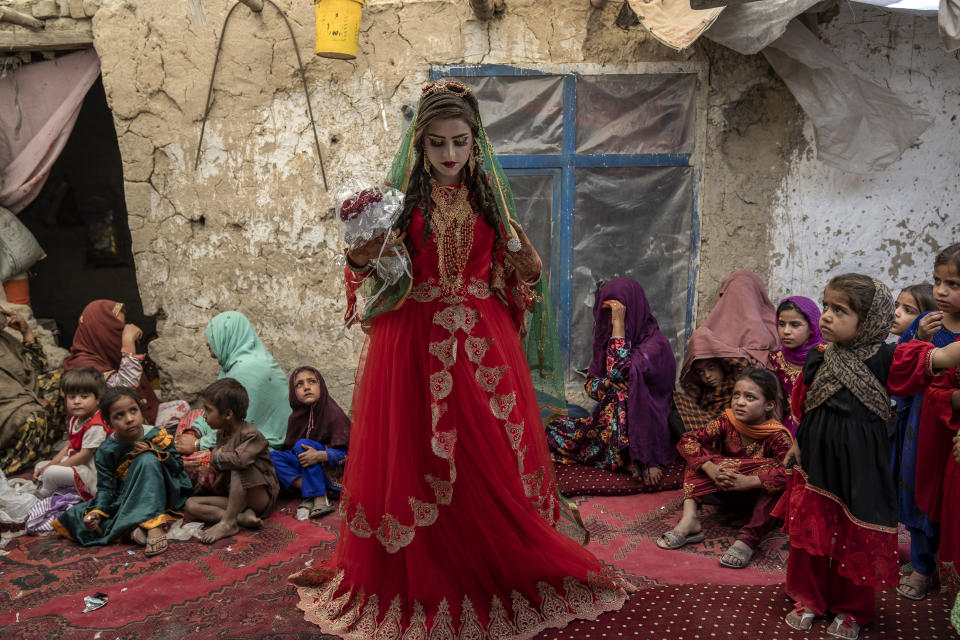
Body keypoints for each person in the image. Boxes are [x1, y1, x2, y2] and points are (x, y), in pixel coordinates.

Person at [290, 80, 631, 639]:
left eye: (460, 143)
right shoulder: (400, 205)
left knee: (486, 449)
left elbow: (526, 277)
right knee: (415, 450)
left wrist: (522, 255)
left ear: (477, 144)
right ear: (419, 146)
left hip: (481, 343)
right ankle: (423, 571)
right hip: (414, 342)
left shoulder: (490, 205)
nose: (449, 155)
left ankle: (493, 561)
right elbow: (365, 265)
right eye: (437, 144)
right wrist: (366, 244)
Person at [778, 274, 901, 639]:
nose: (827, 316)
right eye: (826, 306)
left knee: (855, 532)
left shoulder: (887, 359)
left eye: (840, 310)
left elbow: (938, 359)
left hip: (861, 466)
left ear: (870, 321)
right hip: (815, 461)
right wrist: (798, 445)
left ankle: (853, 609)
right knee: (812, 534)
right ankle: (810, 599)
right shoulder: (819, 358)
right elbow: (805, 405)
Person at [545, 278, 676, 485]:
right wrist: (605, 384)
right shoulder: (608, 341)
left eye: (618, 315)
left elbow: (617, 372)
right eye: (607, 315)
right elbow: (591, 385)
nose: (610, 321)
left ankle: (641, 456)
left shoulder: (656, 345)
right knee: (551, 429)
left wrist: (619, 325)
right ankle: (620, 458)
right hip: (612, 426)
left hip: (651, 426)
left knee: (625, 392)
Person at [659, 368, 791, 569]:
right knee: (697, 454)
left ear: (769, 405)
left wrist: (749, 481)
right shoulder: (726, 421)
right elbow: (688, 440)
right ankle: (689, 520)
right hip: (725, 488)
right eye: (736, 395)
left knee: (775, 469)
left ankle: (748, 539)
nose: (739, 402)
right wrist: (711, 467)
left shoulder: (778, 436)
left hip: (758, 500)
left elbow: (792, 473)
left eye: (750, 397)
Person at [51, 387, 192, 556]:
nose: (129, 419)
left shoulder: (157, 435)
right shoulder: (106, 450)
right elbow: (106, 488)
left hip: (164, 490)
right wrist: (97, 512)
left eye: (133, 410)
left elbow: (177, 466)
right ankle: (131, 529)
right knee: (80, 516)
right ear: (109, 422)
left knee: (147, 459)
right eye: (119, 415)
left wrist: (155, 451)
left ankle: (152, 524)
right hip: (129, 494)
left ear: (140, 410)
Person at [893, 244, 960, 599]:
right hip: (922, 426)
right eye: (938, 281)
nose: (942, 291)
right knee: (919, 487)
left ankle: (943, 562)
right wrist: (919, 340)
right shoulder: (926, 324)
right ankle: (922, 565)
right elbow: (899, 367)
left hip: (955, 432)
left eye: (954, 284)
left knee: (950, 498)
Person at [174, 311, 291, 493]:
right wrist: (195, 431)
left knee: (189, 462)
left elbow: (237, 426)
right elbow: (216, 406)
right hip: (235, 426)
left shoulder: (247, 372)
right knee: (191, 418)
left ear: (228, 337)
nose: (210, 350)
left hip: (266, 444)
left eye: (212, 343)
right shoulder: (236, 364)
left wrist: (198, 444)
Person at [670, 270, 779, 438]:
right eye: (733, 296)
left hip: (753, 419)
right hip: (717, 420)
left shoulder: (774, 329)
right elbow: (699, 345)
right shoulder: (714, 332)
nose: (741, 303)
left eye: (745, 295)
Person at [183, 378, 280, 543]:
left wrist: (217, 455)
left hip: (260, 498)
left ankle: (228, 522)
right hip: (237, 499)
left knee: (238, 466)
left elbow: (238, 460)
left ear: (228, 414)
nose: (204, 415)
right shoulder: (222, 433)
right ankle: (241, 518)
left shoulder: (251, 434)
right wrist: (216, 458)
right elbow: (217, 463)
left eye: (208, 410)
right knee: (190, 505)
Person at [269, 366, 350, 518]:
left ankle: (319, 498)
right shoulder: (295, 418)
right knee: (272, 457)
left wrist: (320, 455)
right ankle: (310, 490)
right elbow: (291, 451)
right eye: (299, 384)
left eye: (312, 381)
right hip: (308, 466)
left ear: (321, 386)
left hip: (331, 471)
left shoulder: (334, 414)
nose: (306, 387)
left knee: (302, 445)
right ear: (293, 393)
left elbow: (348, 454)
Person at [62, 299, 160, 425]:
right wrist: (128, 342)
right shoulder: (84, 365)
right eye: (116, 329)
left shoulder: (102, 353)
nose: (120, 334)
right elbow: (124, 392)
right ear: (100, 331)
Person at [0, 307, 62, 474]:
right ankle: (8, 465)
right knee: (35, 417)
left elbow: (38, 369)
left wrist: (26, 332)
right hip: (7, 408)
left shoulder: (4, 340)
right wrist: (31, 401)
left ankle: (41, 444)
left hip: (21, 397)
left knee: (60, 381)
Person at [32, 367, 110, 499]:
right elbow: (71, 445)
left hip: (93, 471)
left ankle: (45, 493)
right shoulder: (77, 418)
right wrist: (51, 464)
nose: (77, 401)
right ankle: (56, 483)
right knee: (41, 466)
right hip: (79, 462)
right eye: (72, 397)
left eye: (84, 396)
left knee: (50, 473)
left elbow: (85, 456)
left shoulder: (96, 425)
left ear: (98, 399)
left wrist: (54, 469)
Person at [767, 297, 823, 436]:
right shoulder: (775, 359)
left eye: (795, 325)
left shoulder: (826, 356)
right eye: (781, 324)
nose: (786, 331)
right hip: (789, 430)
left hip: (821, 429)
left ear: (812, 327)